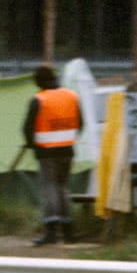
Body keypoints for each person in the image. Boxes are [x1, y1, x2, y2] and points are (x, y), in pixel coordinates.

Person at [22, 64, 84, 245]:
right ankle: (68, 233)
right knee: (63, 188)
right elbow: (81, 123)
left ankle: (50, 232)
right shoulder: (72, 96)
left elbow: (27, 128)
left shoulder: (39, 99)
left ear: (40, 81)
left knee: (50, 188)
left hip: (46, 152)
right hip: (67, 150)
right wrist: (68, 138)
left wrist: (31, 144)